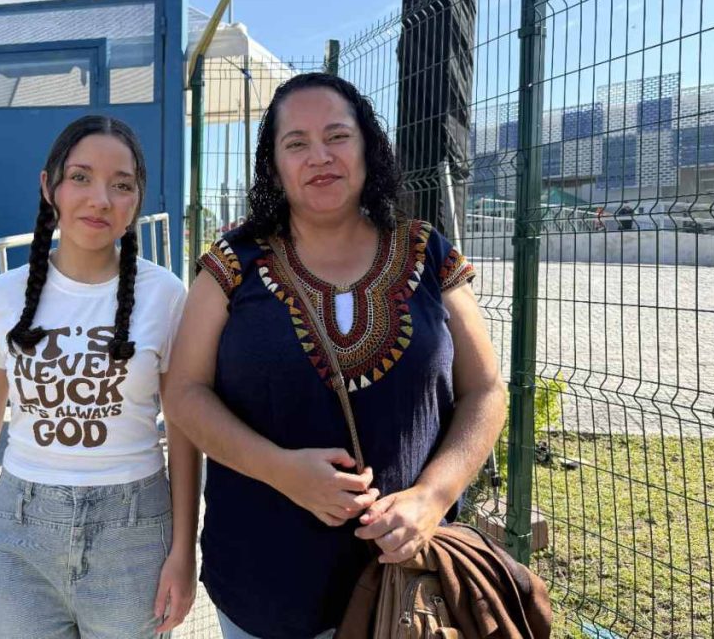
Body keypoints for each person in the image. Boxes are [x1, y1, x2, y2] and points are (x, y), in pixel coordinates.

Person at [164, 73, 507, 639]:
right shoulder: (232, 263)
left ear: (369, 148)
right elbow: (183, 392)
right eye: (296, 143)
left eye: (337, 136)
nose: (319, 156)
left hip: (407, 592)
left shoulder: (427, 252)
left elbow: (487, 390)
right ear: (273, 166)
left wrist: (432, 496)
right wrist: (281, 471)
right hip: (265, 591)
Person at [0, 115, 199, 638]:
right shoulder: (1, 296)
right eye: (81, 177)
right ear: (48, 186)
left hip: (135, 534)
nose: (100, 199)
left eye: (122, 185)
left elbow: (184, 433)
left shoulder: (165, 295)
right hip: (21, 533)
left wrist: (185, 551)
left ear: (137, 201)